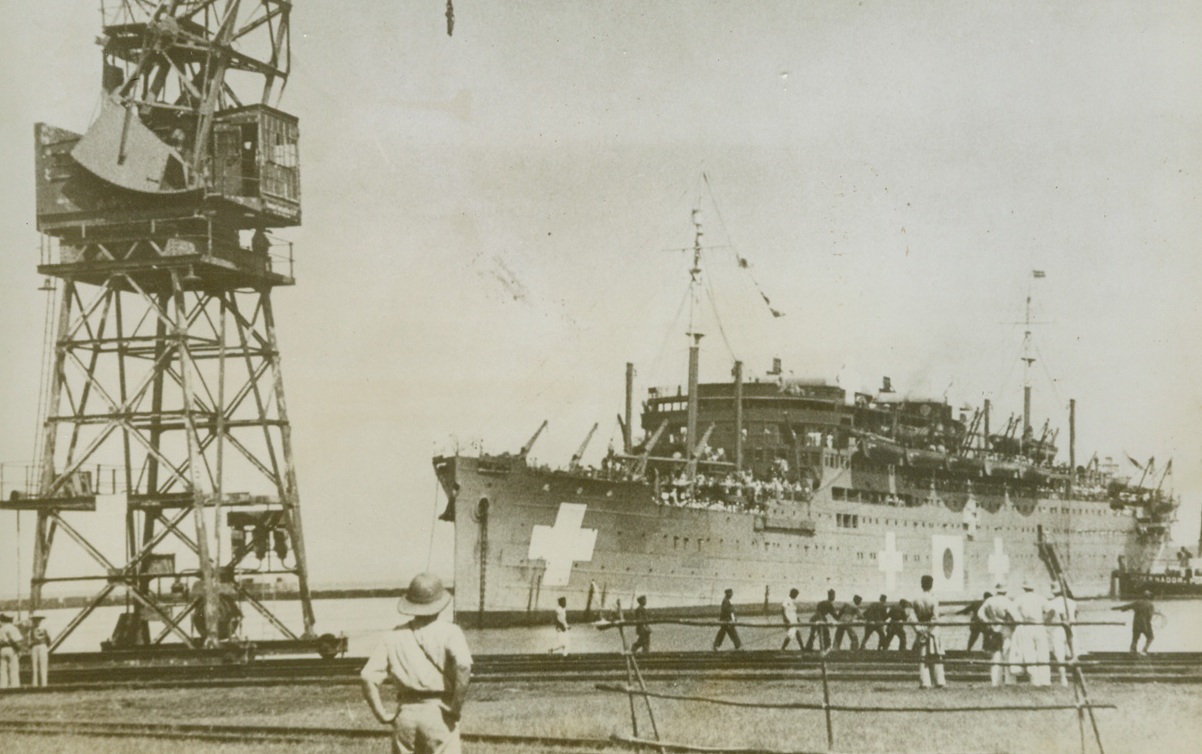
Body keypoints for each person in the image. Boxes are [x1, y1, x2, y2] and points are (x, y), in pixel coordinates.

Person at [360, 573, 472, 754]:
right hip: (439, 712)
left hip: (406, 714)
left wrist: (381, 714)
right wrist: (455, 707)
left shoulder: (393, 636)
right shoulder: (451, 632)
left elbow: (367, 676)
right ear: (439, 604)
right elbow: (464, 666)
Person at [1011, 580, 1051, 685]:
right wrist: (1045, 621)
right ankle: (1045, 680)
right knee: (1043, 652)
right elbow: (1051, 611)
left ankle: (1035, 680)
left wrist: (1018, 620)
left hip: (1026, 626)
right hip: (1039, 625)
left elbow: (1011, 611)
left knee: (1029, 653)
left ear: (1024, 588)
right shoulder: (1040, 598)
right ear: (1034, 588)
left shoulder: (1019, 599)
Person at [978, 583, 1018, 686]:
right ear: (1006, 591)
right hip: (1006, 629)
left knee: (996, 655)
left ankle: (995, 681)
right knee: (1008, 654)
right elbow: (1015, 617)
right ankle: (1010, 680)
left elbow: (980, 613)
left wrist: (988, 622)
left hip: (995, 628)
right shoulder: (1008, 602)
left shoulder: (990, 601)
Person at [911, 575, 946, 689]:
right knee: (936, 655)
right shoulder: (934, 598)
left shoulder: (915, 599)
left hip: (921, 629)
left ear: (922, 584)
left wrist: (919, 629)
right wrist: (928, 629)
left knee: (922, 656)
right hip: (932, 630)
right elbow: (935, 617)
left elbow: (912, 617)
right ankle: (939, 681)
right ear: (931, 585)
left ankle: (925, 682)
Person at [1045, 582, 1077, 687]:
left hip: (1058, 629)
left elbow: (1048, 618)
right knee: (1074, 653)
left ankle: (1063, 679)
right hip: (1071, 628)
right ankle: (1076, 676)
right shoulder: (1072, 602)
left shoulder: (1051, 603)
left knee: (1060, 655)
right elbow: (1076, 615)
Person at [1114, 590, 1156, 655]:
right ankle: (1144, 650)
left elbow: (1126, 607)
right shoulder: (1151, 605)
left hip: (1136, 624)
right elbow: (1150, 616)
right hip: (1146, 625)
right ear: (1150, 597)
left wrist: (1115, 608)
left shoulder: (1137, 603)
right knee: (1150, 637)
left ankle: (1132, 651)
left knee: (1135, 639)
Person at [28, 615, 52, 687]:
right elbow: (29, 641)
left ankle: (43, 683)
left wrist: (45, 645)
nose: (36, 622)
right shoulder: (31, 630)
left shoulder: (44, 629)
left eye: (38, 620)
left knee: (42, 665)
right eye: (35, 621)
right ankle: (35, 684)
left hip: (41, 646)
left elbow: (49, 639)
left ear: (40, 621)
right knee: (34, 666)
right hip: (35, 647)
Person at [0, 614, 22, 689]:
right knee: (13, 668)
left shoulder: (1, 629)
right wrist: (19, 650)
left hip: (3, 649)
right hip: (12, 649)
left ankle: (3, 685)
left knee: (3, 669)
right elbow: (18, 641)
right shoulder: (14, 628)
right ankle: (14, 685)